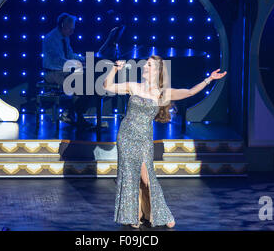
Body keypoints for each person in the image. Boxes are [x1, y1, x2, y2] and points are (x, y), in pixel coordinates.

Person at [103, 55, 227, 228]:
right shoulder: (134, 86)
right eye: (146, 64)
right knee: (130, 176)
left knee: (147, 178)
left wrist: (209, 79)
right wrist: (115, 69)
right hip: (126, 136)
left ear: (158, 71)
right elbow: (107, 86)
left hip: (144, 139)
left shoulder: (162, 93)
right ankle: (134, 214)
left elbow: (189, 92)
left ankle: (160, 212)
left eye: (150, 65)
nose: (145, 67)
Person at [42, 13, 94, 129]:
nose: (72, 32)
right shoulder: (51, 39)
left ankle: (72, 112)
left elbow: (70, 54)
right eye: (70, 29)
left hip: (62, 70)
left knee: (89, 81)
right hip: (53, 72)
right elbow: (58, 61)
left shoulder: (65, 37)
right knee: (82, 81)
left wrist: (85, 59)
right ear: (62, 26)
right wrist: (78, 64)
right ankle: (73, 114)